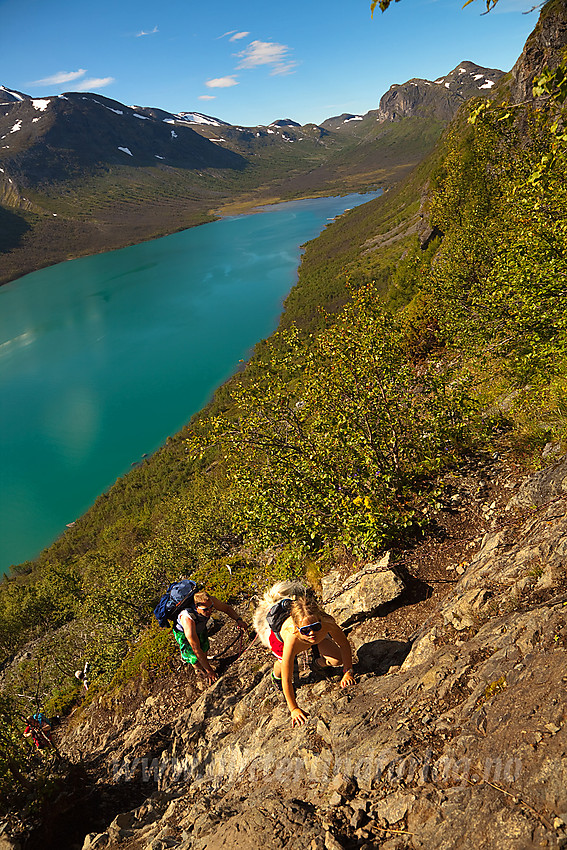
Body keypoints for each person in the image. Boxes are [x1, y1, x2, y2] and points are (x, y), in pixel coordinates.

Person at [254, 581, 356, 727]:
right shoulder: (291, 638)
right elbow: (287, 680)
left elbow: (344, 644)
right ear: (297, 628)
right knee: (284, 666)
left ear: (320, 620)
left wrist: (348, 671)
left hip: (308, 638)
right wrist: (294, 708)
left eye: (315, 627)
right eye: (306, 630)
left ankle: (316, 664)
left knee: (337, 660)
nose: (312, 633)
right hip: (281, 640)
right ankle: (274, 674)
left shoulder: (327, 623)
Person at [174, 590, 248, 685]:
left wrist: (238, 620)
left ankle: (205, 665)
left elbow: (227, 608)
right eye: (205, 610)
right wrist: (209, 671)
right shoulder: (187, 618)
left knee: (204, 648)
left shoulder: (210, 601)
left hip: (200, 627)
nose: (209, 611)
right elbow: (195, 648)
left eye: (211, 607)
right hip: (184, 633)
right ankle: (199, 671)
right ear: (197, 608)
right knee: (194, 657)